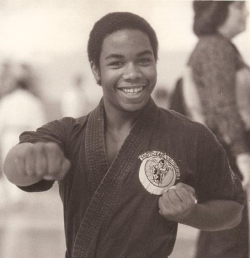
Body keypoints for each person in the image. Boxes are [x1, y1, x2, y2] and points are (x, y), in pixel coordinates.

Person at [2, 12, 245, 258]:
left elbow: (233, 209)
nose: (132, 73)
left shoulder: (191, 136)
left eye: (144, 61)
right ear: (96, 70)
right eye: (116, 63)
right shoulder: (67, 134)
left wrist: (191, 214)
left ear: (155, 63)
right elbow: (15, 166)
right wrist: (26, 160)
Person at [173, 2, 250, 258]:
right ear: (218, 10)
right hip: (228, 154)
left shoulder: (212, 46)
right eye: (239, 6)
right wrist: (242, 155)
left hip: (221, 154)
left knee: (219, 235)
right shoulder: (216, 47)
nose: (246, 12)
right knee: (229, 238)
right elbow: (222, 107)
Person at [0, 61, 46, 208]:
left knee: (7, 164)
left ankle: (12, 198)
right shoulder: (34, 102)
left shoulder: (7, 100)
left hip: (8, 134)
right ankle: (19, 197)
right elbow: (39, 124)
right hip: (25, 134)